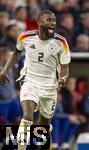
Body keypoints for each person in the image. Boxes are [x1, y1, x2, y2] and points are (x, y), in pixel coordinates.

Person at [0, 10, 71, 150]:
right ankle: (21, 148)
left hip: (50, 87)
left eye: (54, 20)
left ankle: (42, 143)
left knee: (42, 126)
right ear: (39, 22)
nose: (52, 23)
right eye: (48, 20)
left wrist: (63, 77)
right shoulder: (25, 37)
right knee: (27, 116)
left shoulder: (61, 42)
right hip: (30, 82)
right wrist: (4, 70)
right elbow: (16, 53)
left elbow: (64, 67)